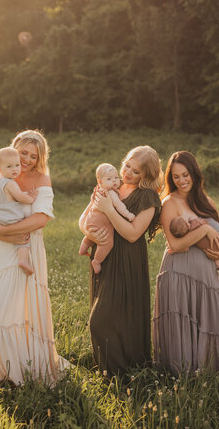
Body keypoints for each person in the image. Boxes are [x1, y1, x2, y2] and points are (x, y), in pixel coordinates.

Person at [0, 129, 70, 385]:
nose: (26, 160)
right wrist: (2, 235)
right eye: (23, 152)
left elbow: (41, 219)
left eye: (32, 156)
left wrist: (3, 230)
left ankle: (26, 370)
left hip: (27, 251)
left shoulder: (42, 180)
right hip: (0, 255)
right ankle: (2, 371)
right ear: (13, 149)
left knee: (20, 313)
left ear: (40, 159)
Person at [79, 146, 162, 377]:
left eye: (136, 172)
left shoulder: (148, 197)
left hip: (127, 259)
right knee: (108, 313)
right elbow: (85, 217)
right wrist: (90, 234)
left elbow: (133, 233)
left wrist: (109, 209)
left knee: (104, 318)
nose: (127, 173)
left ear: (146, 177)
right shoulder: (111, 185)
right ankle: (107, 369)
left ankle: (122, 372)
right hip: (104, 255)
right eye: (127, 165)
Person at [153, 151, 219, 376]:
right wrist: (205, 230)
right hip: (179, 271)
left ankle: (212, 371)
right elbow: (176, 245)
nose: (181, 180)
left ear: (194, 174)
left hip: (206, 272)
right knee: (183, 321)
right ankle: (182, 374)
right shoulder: (169, 202)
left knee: (213, 320)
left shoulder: (207, 202)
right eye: (176, 176)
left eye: (185, 174)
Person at [0, 147, 38, 275]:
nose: (15, 169)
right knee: (23, 241)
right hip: (10, 219)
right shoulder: (11, 184)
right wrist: (31, 198)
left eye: (17, 165)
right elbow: (21, 198)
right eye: (9, 167)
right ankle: (23, 260)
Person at [78, 163, 135, 274]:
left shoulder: (97, 190)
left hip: (91, 220)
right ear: (100, 181)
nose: (114, 181)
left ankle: (83, 249)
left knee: (91, 234)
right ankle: (97, 261)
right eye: (109, 179)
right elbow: (119, 205)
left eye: (116, 178)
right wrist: (128, 214)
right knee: (107, 243)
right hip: (101, 223)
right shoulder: (111, 193)